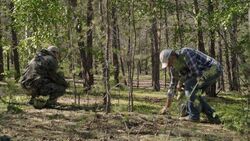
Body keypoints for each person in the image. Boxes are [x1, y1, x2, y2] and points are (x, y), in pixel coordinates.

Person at [159, 47, 222, 123]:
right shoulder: (173, 68)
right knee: (195, 96)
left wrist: (182, 83)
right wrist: (167, 106)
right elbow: (172, 86)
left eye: (169, 62)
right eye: (167, 64)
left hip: (213, 69)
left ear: (173, 56)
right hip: (202, 75)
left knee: (189, 86)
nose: (169, 66)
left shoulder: (186, 53)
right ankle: (214, 118)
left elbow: (196, 73)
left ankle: (193, 116)